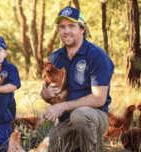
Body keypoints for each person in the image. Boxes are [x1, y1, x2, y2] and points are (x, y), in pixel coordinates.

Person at [39, 6, 114, 152]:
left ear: (82, 29)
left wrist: (62, 106)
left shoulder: (96, 56)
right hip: (66, 120)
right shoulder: (55, 57)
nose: (66, 31)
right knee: (47, 148)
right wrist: (46, 95)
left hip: (94, 116)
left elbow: (99, 99)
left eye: (71, 26)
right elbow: (46, 94)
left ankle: (92, 148)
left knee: (79, 115)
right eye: (62, 27)